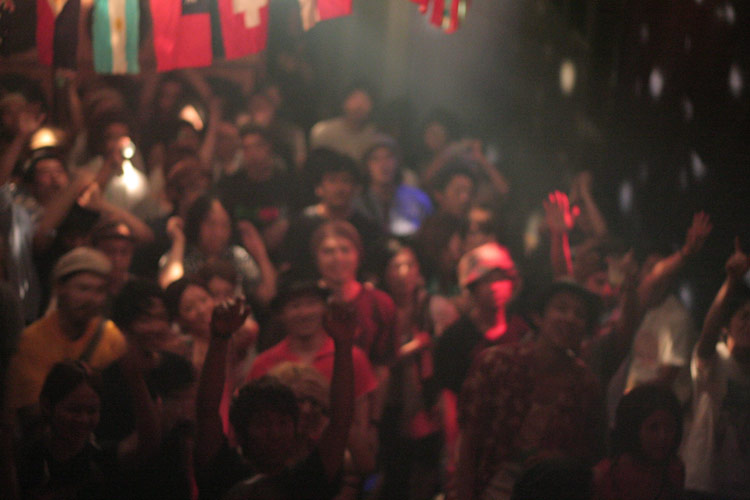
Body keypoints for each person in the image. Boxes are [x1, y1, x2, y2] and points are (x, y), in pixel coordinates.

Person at [455, 280, 604, 500]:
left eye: (580, 314)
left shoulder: (585, 386)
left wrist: (559, 460)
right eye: (561, 308)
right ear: (538, 317)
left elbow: (588, 456)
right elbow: (469, 441)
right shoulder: (496, 364)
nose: (570, 318)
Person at [194, 297, 355, 500]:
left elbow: (340, 421)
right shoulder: (223, 472)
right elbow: (207, 412)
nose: (275, 433)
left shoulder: (307, 478)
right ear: (241, 431)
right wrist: (220, 338)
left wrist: (343, 344)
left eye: (283, 422)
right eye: (263, 424)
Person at [433, 242, 524, 480]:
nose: (494, 287)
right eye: (485, 281)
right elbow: (449, 397)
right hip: (472, 441)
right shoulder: (454, 338)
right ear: (471, 286)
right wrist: (454, 450)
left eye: (500, 278)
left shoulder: (523, 332)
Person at [378, 240, 458, 500]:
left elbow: (451, 357)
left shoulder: (434, 307)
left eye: (409, 265)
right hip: (386, 403)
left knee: (426, 472)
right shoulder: (378, 306)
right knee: (393, 473)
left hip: (427, 402)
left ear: (419, 270)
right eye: (395, 266)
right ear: (384, 273)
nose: (403, 273)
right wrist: (413, 347)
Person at [5, 247, 127, 414]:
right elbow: (26, 409)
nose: (91, 299)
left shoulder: (112, 338)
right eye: (83, 289)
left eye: (99, 291)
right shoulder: (32, 341)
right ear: (59, 288)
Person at [681, 239, 750, 499]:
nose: (749, 325)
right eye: (744, 317)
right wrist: (731, 281)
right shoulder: (717, 359)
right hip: (702, 482)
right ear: (727, 326)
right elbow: (708, 335)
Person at [281, 149, 386, 280]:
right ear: (318, 188)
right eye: (332, 180)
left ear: (355, 188)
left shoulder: (367, 227)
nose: (339, 188)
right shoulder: (302, 224)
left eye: (346, 180)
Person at [159, 195, 276, 306]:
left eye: (224, 225)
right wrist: (178, 241)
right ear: (197, 224)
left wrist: (260, 252)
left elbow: (266, 295)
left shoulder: (236, 256)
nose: (218, 233)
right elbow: (170, 290)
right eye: (211, 224)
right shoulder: (181, 256)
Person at [594, 384, 684, 500]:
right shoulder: (604, 476)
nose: (663, 436)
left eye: (669, 427)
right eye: (653, 428)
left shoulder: (673, 473)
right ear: (633, 429)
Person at [354, 135, 433, 237]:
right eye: (375, 159)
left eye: (389, 157)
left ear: (397, 162)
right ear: (366, 166)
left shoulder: (417, 199)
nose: (383, 164)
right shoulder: (356, 203)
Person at [309, 84, 378, 162]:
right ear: (344, 102)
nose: (359, 105)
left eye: (365, 100)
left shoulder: (375, 135)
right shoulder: (324, 132)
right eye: (354, 98)